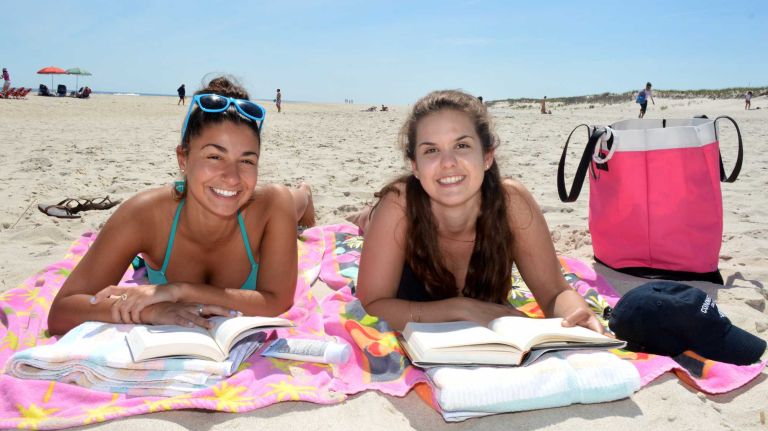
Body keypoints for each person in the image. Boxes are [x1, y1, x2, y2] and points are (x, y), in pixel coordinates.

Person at [48, 76, 316, 335]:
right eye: (214, 156)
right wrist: (150, 311)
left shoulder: (271, 205)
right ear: (183, 158)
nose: (232, 176)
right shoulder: (144, 214)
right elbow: (62, 311)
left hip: (270, 205)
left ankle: (306, 193)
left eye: (247, 161)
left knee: (294, 201)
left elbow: (277, 300)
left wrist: (179, 290)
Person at [353, 90, 603, 332]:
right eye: (431, 150)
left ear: (486, 156)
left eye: (461, 146)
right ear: (415, 166)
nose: (448, 162)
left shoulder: (511, 203)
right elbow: (372, 304)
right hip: (392, 215)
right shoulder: (399, 204)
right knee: (367, 219)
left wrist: (575, 314)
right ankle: (363, 215)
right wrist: (462, 309)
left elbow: (555, 292)